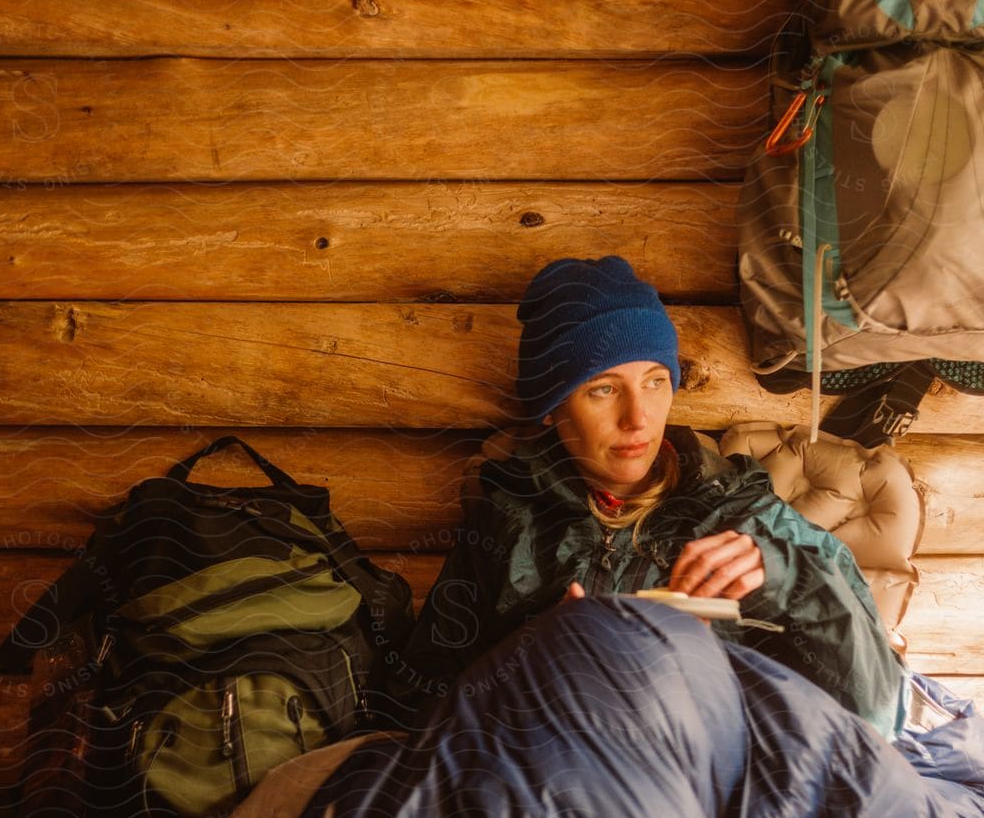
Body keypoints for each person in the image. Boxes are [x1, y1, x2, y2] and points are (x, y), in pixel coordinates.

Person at [382, 255, 908, 737]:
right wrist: (533, 657)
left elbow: (877, 716)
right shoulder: (507, 524)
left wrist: (791, 577)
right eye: (603, 389)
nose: (638, 418)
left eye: (655, 382)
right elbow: (419, 709)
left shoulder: (743, 518)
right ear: (551, 408)